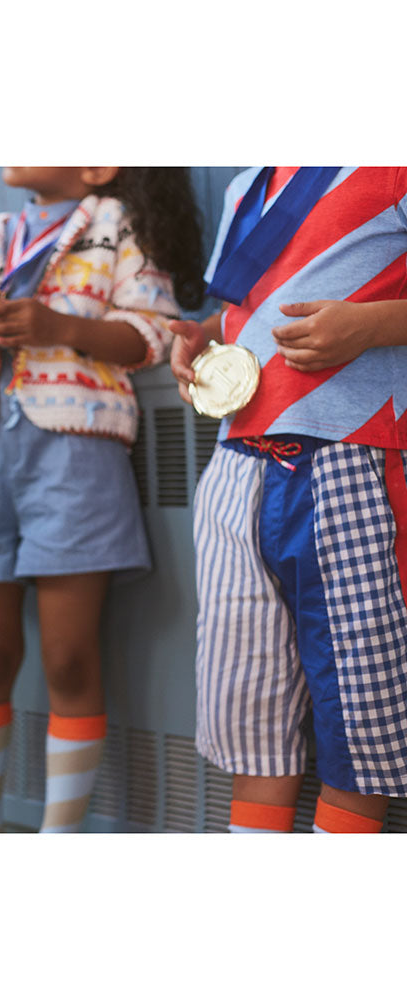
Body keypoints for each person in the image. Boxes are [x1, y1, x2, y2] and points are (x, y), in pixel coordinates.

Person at [0, 167, 205, 832]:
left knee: (70, 660)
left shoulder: (118, 225)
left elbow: (154, 332)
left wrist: (57, 325)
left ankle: (60, 836)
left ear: (97, 166)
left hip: (78, 462)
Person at [169, 166, 407, 833]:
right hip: (236, 466)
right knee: (249, 710)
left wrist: (375, 324)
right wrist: (206, 334)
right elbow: (260, 301)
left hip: (352, 457)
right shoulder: (248, 181)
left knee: (362, 715)